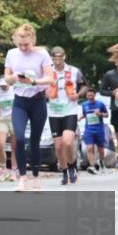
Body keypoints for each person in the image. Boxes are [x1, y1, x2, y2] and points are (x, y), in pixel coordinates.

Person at [3, 24, 55, 193]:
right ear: (15, 42)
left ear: (33, 41)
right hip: (20, 102)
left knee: (34, 141)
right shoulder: (12, 54)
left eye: (26, 44)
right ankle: (22, 178)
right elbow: (6, 79)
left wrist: (34, 82)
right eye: (20, 45)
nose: (23, 48)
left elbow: (51, 79)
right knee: (18, 138)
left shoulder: (42, 54)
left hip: (38, 101)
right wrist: (14, 77)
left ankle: (36, 177)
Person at [47, 47, 84, 185]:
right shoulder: (47, 72)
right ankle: (64, 172)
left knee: (67, 142)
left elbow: (85, 86)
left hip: (70, 111)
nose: (58, 60)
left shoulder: (74, 71)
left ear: (64, 57)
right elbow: (39, 87)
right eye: (55, 58)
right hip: (54, 112)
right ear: (52, 59)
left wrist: (78, 95)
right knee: (58, 147)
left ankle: (72, 167)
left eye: (60, 57)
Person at [0, 77, 19, 181]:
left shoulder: (15, 89)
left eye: (5, 84)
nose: (3, 86)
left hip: (15, 119)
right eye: (1, 85)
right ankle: (4, 169)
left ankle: (14, 171)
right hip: (3, 121)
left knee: (14, 147)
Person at [80, 89, 110, 174]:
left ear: (95, 95)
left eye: (91, 95)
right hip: (89, 130)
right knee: (89, 148)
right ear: (86, 96)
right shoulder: (84, 104)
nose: (90, 97)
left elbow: (107, 115)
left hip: (99, 130)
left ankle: (102, 163)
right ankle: (92, 166)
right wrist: (80, 117)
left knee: (101, 150)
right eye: (88, 95)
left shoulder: (100, 104)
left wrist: (100, 114)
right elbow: (84, 114)